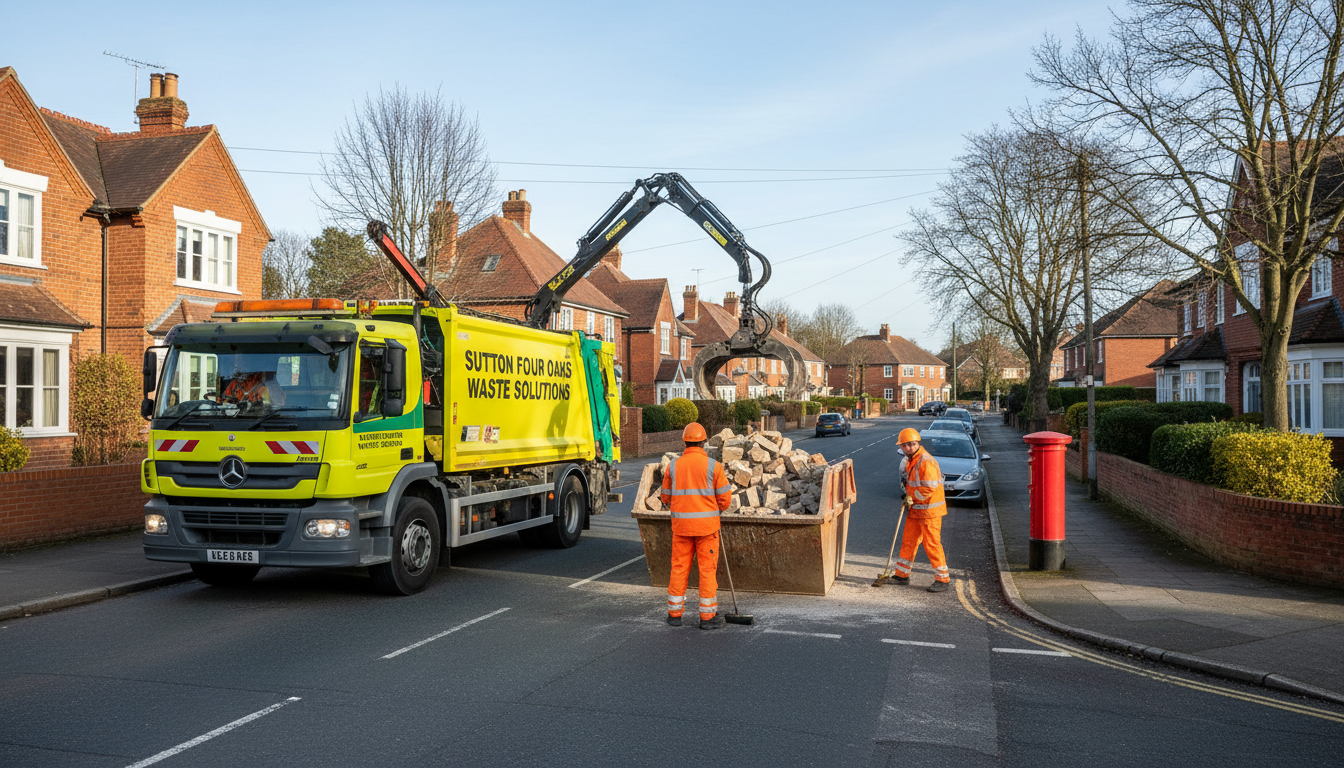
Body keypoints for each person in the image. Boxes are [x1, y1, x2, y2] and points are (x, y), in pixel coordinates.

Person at [660, 422, 734, 629]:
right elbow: (725, 499)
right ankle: (707, 618)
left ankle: (674, 615)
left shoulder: (673, 466)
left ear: (684, 442)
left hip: (681, 528)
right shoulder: (714, 466)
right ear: (704, 442)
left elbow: (665, 497)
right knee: (707, 571)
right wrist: (715, 510)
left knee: (678, 568)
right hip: (707, 529)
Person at [893, 427, 951, 592]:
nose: (908, 448)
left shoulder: (925, 461)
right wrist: (908, 495)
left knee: (931, 543)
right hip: (917, 509)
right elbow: (912, 483)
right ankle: (902, 575)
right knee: (909, 541)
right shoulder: (911, 460)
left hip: (929, 511)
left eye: (911, 444)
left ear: (918, 443)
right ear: (901, 447)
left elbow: (929, 487)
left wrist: (912, 497)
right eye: (905, 445)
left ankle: (943, 580)